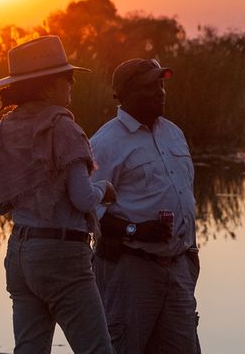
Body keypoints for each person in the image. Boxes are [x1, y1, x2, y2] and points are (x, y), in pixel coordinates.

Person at [0, 35, 115, 353]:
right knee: (96, 349)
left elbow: (1, 203)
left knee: (29, 348)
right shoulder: (62, 128)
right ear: (49, 86)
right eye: (68, 80)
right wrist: (104, 190)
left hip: (19, 252)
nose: (71, 87)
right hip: (61, 255)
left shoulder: (1, 131)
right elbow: (82, 198)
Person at [90, 58, 200, 353]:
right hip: (130, 270)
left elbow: (183, 194)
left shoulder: (173, 133)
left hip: (176, 268)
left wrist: (190, 254)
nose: (160, 92)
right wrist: (133, 229)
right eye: (150, 86)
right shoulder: (105, 143)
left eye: (161, 85)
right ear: (123, 95)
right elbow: (87, 209)